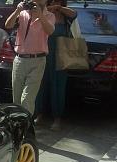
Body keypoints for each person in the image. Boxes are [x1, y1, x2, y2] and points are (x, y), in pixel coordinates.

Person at [5, 1, 55, 115]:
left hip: (38, 60)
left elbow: (50, 31)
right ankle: (18, 126)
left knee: (27, 99)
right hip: (20, 60)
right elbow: (8, 25)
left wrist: (41, 15)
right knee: (16, 99)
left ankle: (25, 128)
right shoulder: (23, 13)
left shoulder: (50, 16)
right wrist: (17, 10)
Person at [35, 0, 78, 131]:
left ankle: (57, 119)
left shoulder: (65, 15)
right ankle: (39, 114)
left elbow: (74, 14)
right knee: (40, 85)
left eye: (57, 0)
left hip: (61, 55)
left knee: (58, 86)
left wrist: (59, 8)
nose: (54, 2)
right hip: (42, 54)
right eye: (52, 1)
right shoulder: (43, 12)